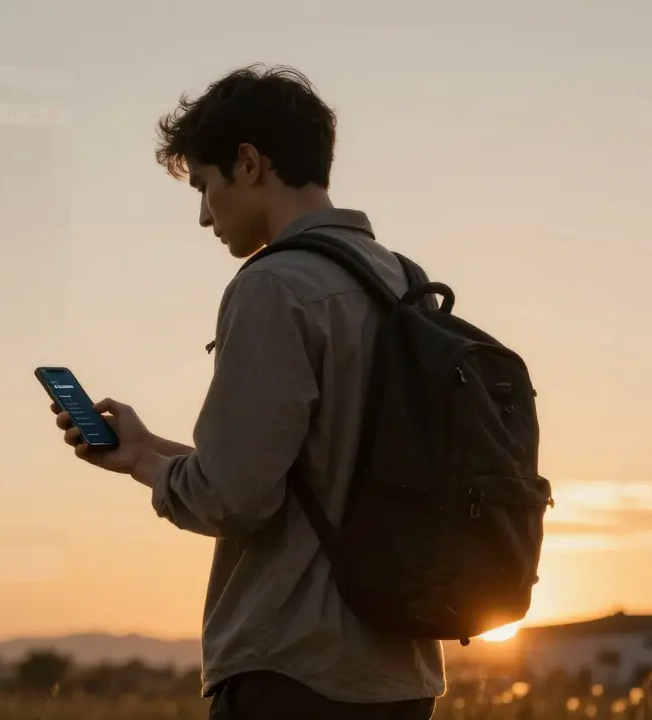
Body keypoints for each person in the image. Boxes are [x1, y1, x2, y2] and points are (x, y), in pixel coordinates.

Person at [50, 65, 442, 719]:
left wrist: (145, 467)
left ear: (250, 163)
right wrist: (149, 448)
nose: (205, 214)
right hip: (402, 674)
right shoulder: (404, 281)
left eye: (206, 185)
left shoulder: (274, 286)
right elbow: (309, 476)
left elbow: (234, 498)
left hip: (293, 671)